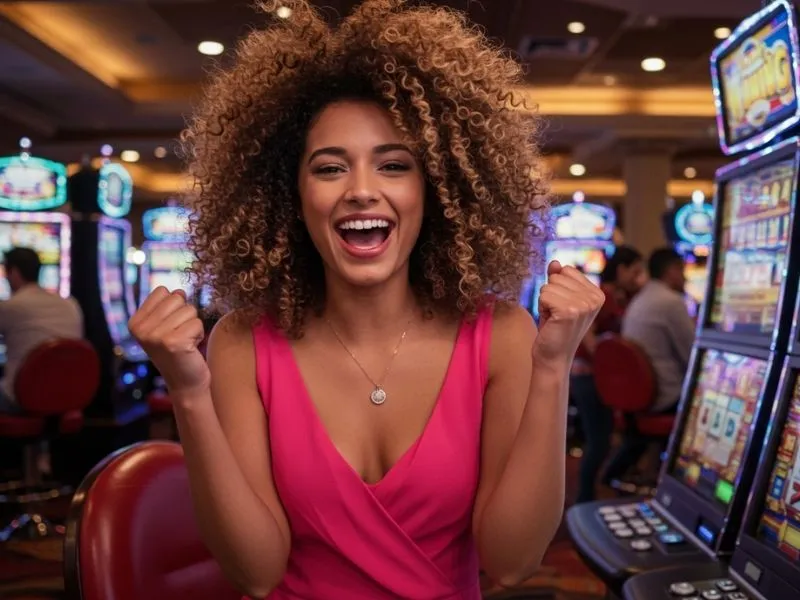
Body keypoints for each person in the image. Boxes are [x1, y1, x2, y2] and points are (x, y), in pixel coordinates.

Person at [128, 1, 604, 598]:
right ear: (289, 194)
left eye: (394, 165)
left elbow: (511, 562)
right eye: (329, 169)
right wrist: (188, 392)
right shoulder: (244, 342)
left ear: (435, 189)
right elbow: (256, 573)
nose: (360, 191)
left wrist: (553, 367)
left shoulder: (501, 334)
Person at [571, 245, 645, 503]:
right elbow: (585, 331)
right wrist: (603, 357)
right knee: (599, 441)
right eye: (635, 272)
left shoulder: (619, 296)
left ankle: (593, 492)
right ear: (622, 269)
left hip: (600, 377)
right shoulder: (603, 294)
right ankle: (584, 499)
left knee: (604, 439)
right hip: (588, 375)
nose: (639, 278)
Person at [0, 247, 83, 413]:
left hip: (20, 400)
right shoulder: (70, 304)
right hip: (68, 396)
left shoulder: (12, 306)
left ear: (14, 272)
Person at [623, 247, 695, 413]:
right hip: (666, 396)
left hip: (639, 393)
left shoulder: (641, 297)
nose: (685, 277)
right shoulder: (671, 301)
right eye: (682, 270)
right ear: (672, 271)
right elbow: (692, 356)